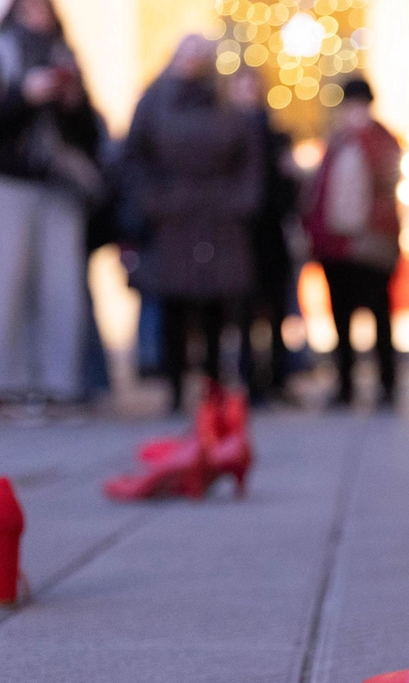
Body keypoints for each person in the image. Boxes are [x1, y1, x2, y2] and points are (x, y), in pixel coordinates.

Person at [0, 0, 101, 410]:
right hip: (7, 185)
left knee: (63, 289)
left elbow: (90, 136)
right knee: (6, 286)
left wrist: (72, 103)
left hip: (59, 187)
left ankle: (61, 385)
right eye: (30, 10)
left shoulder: (68, 62)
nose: (39, 17)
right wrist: (25, 96)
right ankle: (8, 384)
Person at [126, 35, 263, 413]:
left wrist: (239, 202)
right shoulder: (154, 103)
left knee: (218, 308)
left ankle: (215, 389)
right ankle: (174, 388)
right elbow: (134, 157)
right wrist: (153, 201)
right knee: (174, 305)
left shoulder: (226, 105)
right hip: (172, 219)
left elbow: (249, 160)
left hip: (219, 219)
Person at [303, 77, 401, 410]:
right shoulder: (338, 141)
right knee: (341, 317)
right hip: (336, 244)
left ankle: (388, 384)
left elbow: (387, 180)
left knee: (380, 314)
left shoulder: (380, 140)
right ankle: (345, 384)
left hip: (372, 243)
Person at [231, 67, 298, 407]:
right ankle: (248, 380)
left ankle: (278, 377)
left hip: (271, 233)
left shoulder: (276, 137)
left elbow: (288, 189)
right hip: (242, 234)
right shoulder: (227, 136)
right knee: (244, 313)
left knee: (276, 309)